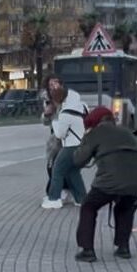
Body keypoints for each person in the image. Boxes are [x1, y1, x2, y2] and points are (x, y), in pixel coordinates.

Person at [71, 107, 137, 262]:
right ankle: (123, 248)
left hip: (111, 180)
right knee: (125, 207)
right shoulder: (126, 132)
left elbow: (78, 160)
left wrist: (84, 140)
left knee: (89, 206)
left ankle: (87, 250)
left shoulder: (94, 134)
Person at [41, 74, 88, 209]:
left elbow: (61, 132)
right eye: (51, 85)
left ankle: (54, 197)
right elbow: (45, 121)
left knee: (58, 169)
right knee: (71, 171)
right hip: (67, 141)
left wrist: (56, 120)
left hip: (68, 142)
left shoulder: (68, 107)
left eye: (56, 84)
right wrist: (47, 114)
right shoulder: (51, 101)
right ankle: (81, 197)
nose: (53, 87)